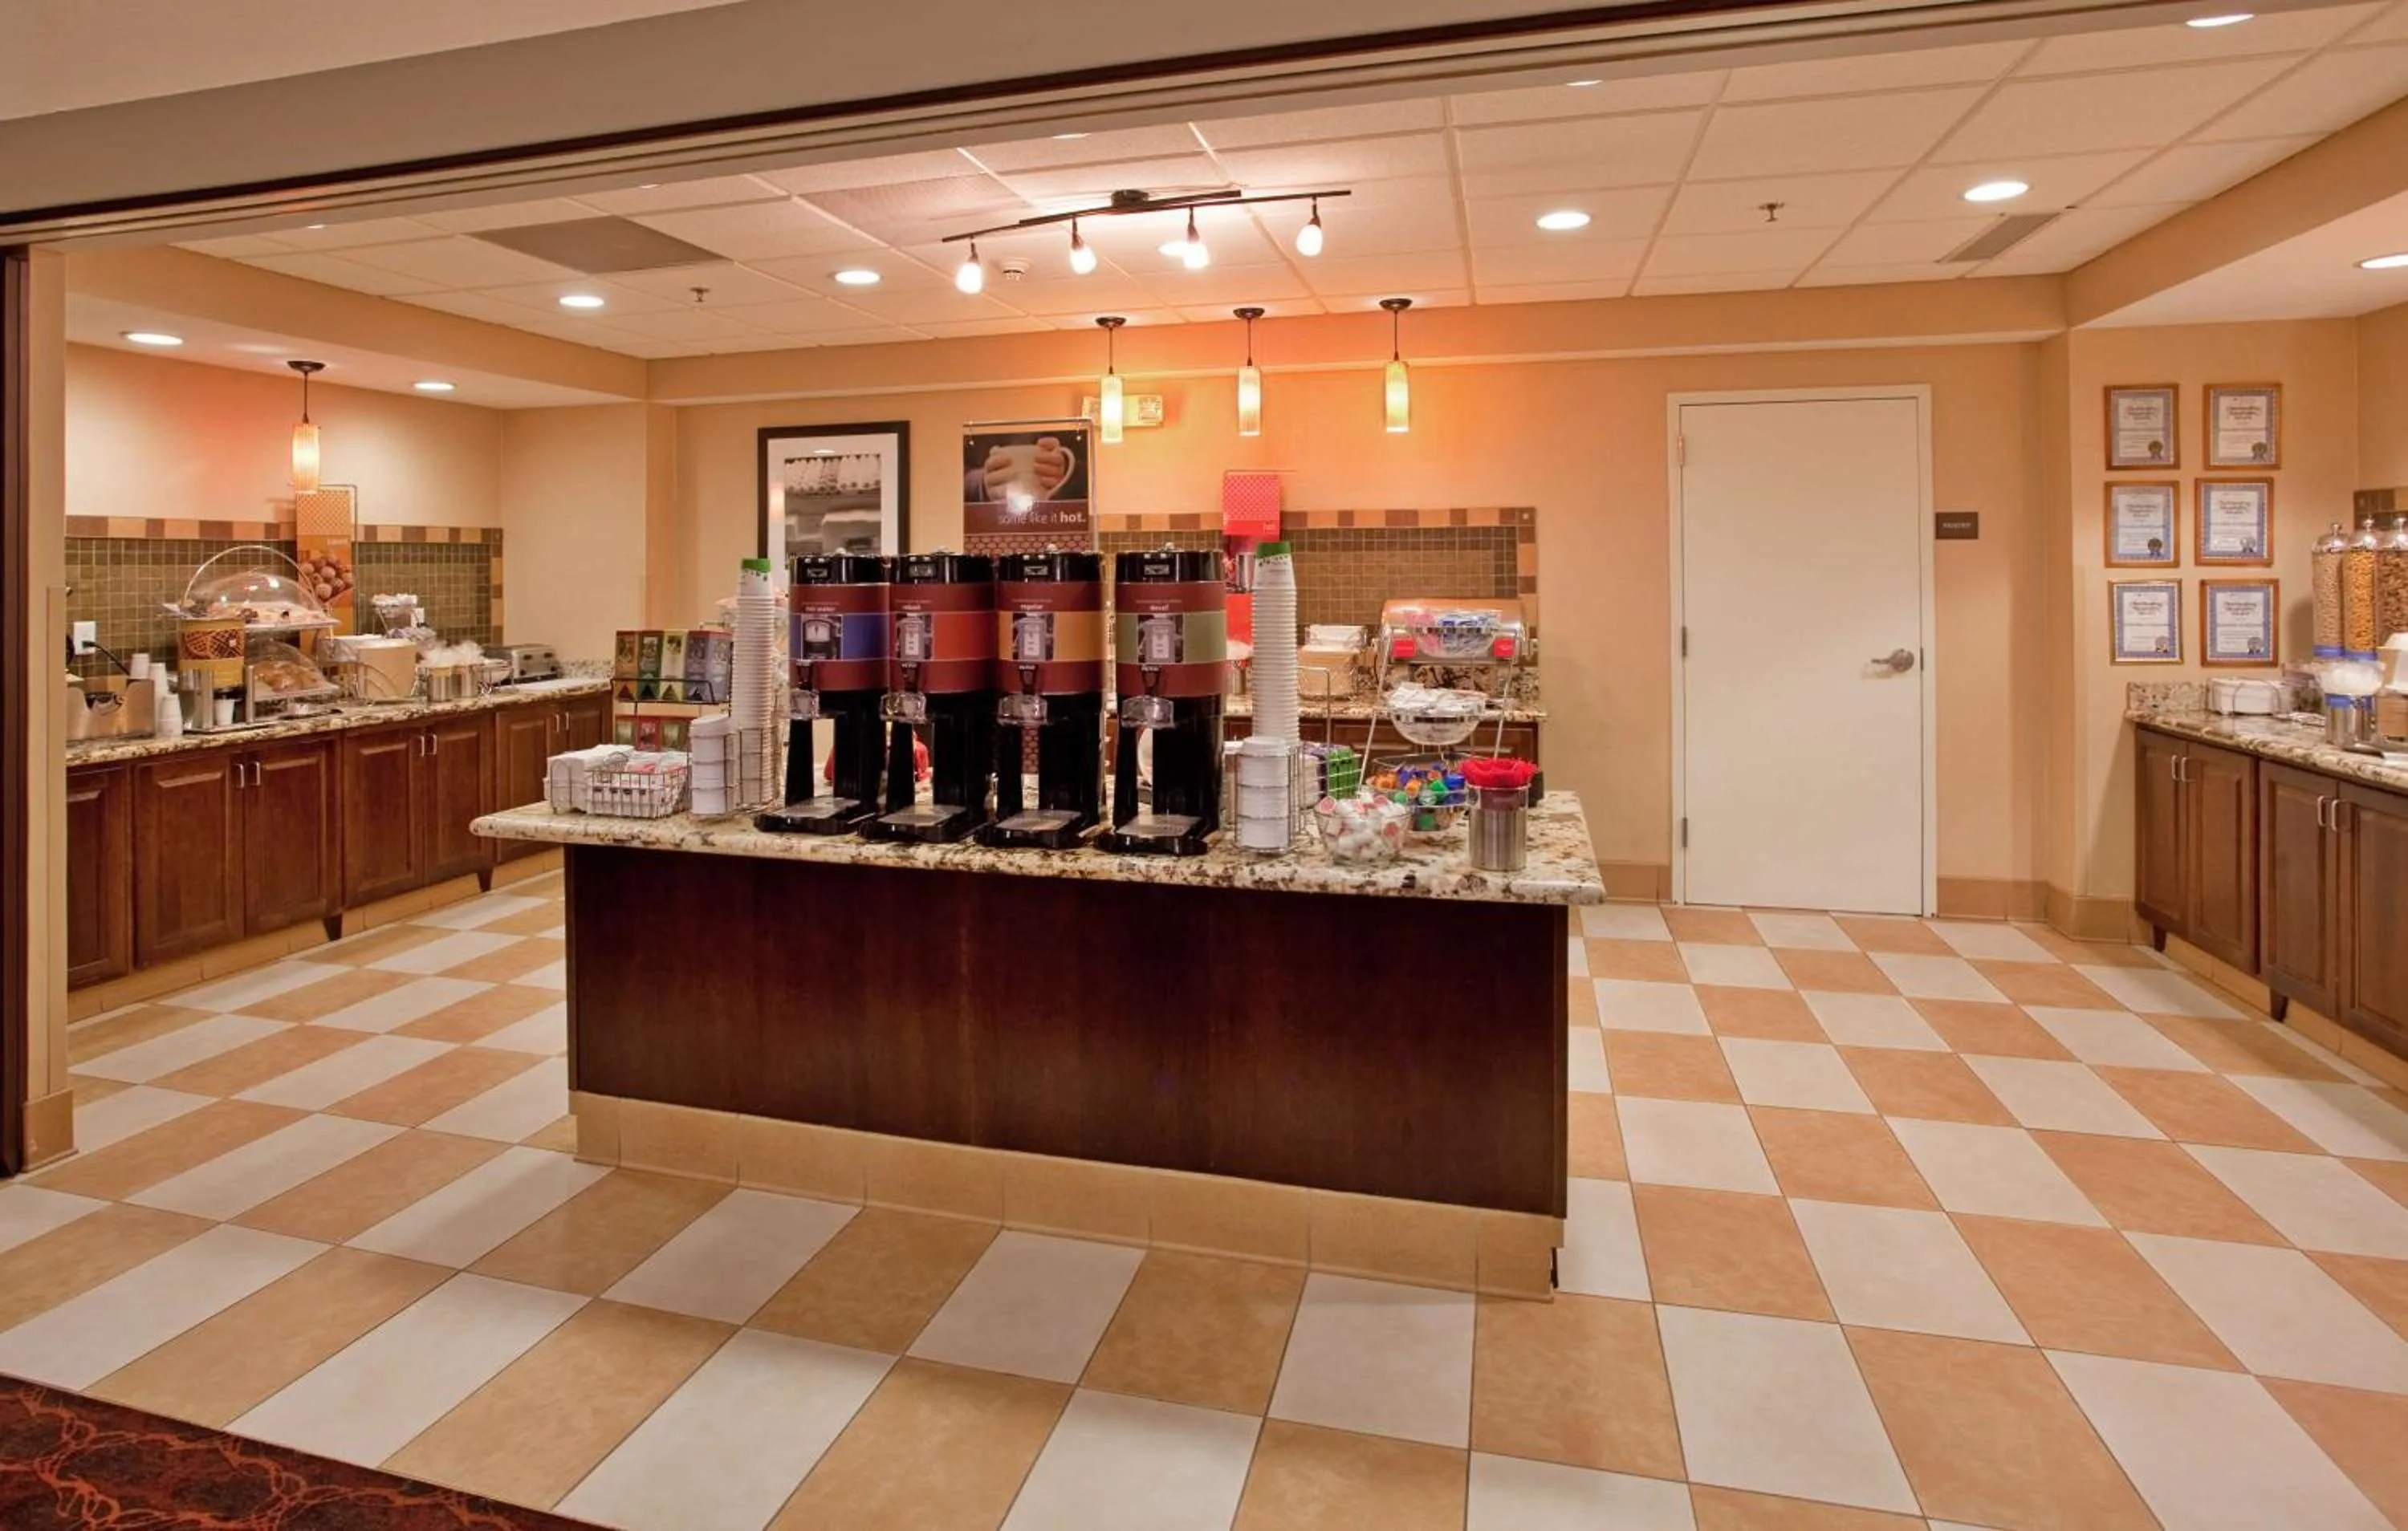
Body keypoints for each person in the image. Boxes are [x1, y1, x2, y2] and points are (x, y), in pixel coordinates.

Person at [965, 436, 1073, 503]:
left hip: (1058, 519)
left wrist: (1063, 470)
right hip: (989, 524)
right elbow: (950, 476)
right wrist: (980, 483)